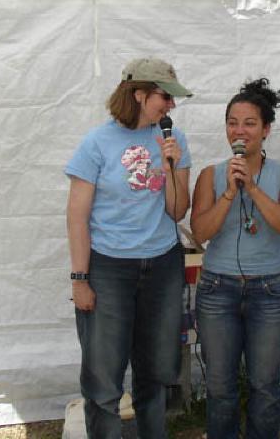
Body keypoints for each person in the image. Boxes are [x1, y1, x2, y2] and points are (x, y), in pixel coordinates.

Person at [64, 57, 193, 439]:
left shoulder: (175, 140)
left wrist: (170, 166)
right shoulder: (96, 143)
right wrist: (80, 279)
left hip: (162, 265)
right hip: (109, 269)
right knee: (104, 382)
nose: (170, 105)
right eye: (164, 97)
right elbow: (76, 217)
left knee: (155, 375)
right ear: (138, 94)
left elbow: (177, 209)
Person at [191, 78, 280, 439]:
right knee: (220, 388)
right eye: (232, 122)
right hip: (217, 290)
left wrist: (252, 187)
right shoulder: (210, 174)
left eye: (250, 123)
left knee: (265, 386)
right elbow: (201, 233)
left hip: (268, 290)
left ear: (266, 129)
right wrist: (228, 194)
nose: (240, 130)